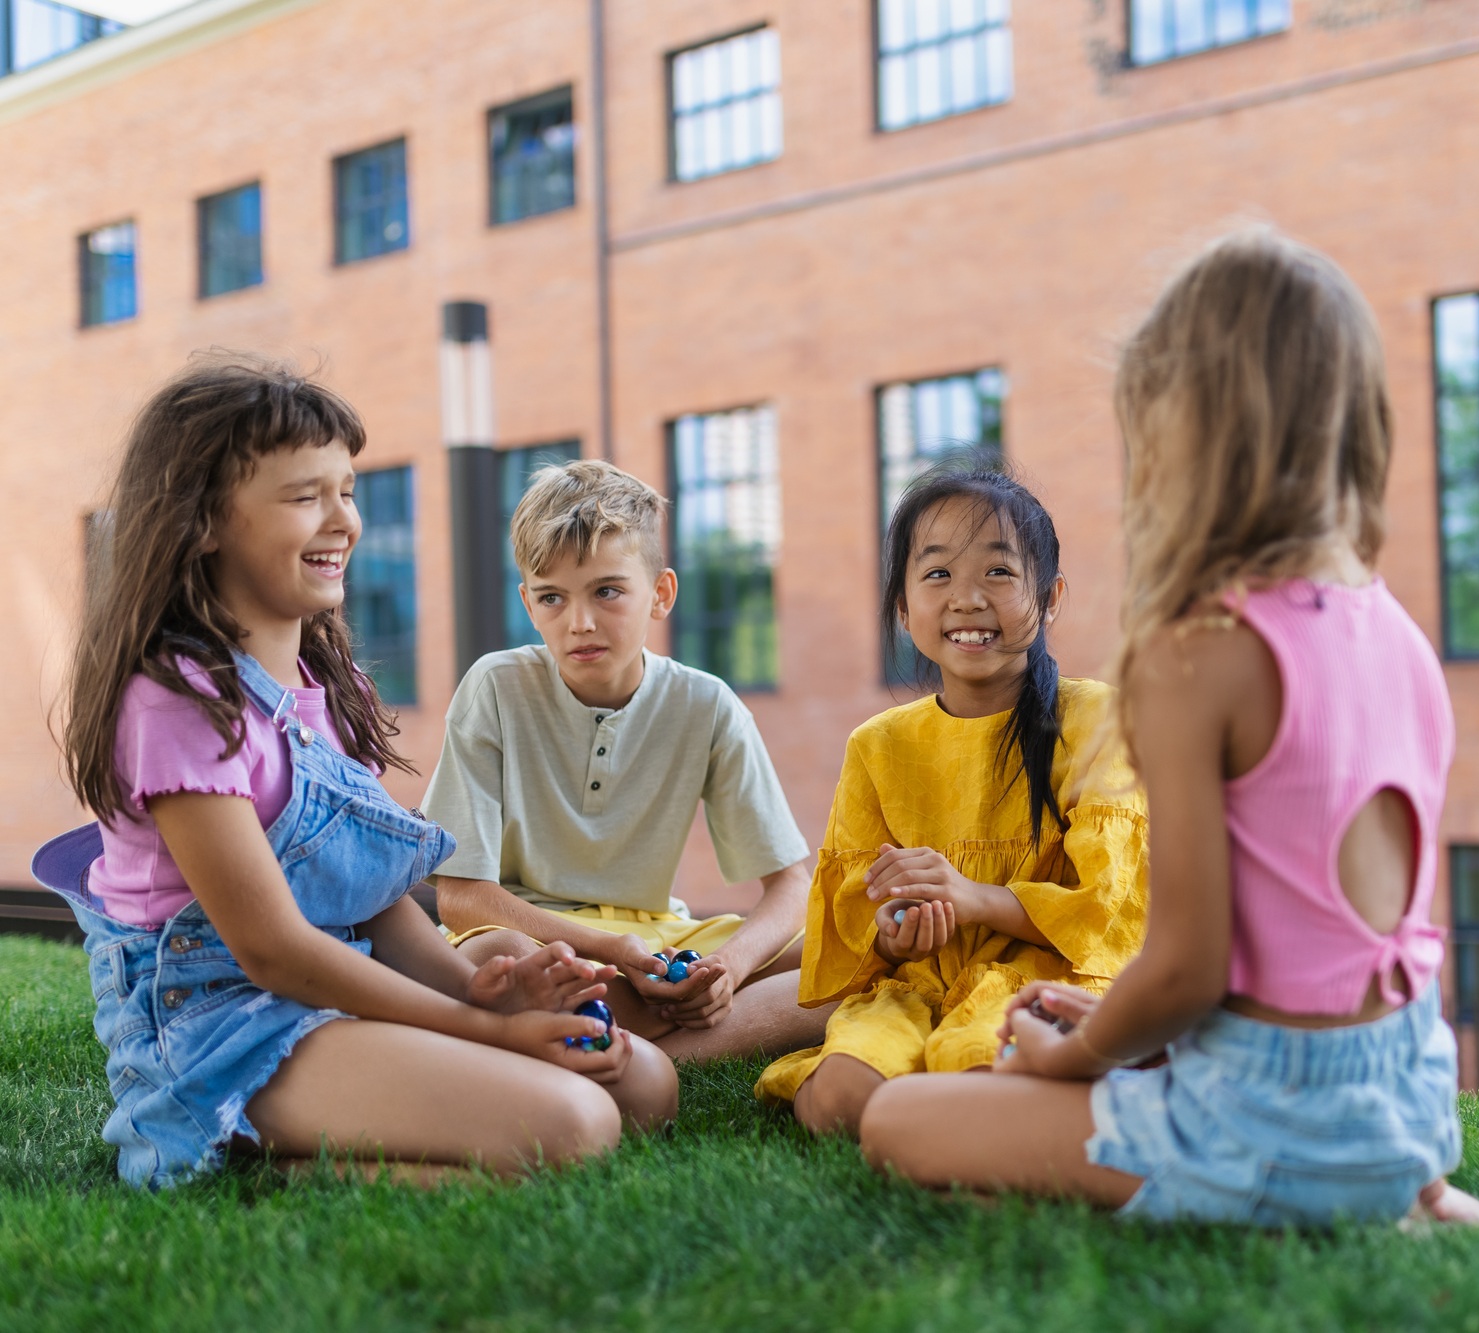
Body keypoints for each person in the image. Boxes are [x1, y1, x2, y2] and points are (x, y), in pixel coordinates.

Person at [860, 230, 1479, 1229]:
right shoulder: (1392, 626)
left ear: (1180, 430)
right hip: (1405, 1089)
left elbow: (1184, 969)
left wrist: (1076, 1053)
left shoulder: (1195, 652)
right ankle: (1402, 1196)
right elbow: (1308, 942)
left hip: (1264, 1116)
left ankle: (1280, 1199)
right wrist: (1130, 1031)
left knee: (899, 1119)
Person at [38, 356, 672, 1191]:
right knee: (575, 1123)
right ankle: (236, 1153)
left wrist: (482, 988)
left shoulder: (325, 688)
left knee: (647, 1088)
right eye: (307, 496)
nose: (345, 520)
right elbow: (272, 950)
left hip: (334, 983)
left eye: (349, 489)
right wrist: (487, 1033)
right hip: (218, 1023)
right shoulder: (177, 704)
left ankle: (333, 1126)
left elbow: (369, 898)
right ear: (202, 522)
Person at [753, 462, 1150, 1137]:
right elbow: (855, 923)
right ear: (904, 609)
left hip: (1044, 977)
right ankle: (922, 1105)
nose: (966, 598)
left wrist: (974, 897)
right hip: (917, 985)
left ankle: (954, 1112)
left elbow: (1106, 911)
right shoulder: (877, 744)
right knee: (838, 1099)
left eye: (998, 572)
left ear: (1050, 598)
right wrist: (896, 929)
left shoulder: (1096, 719)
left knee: (978, 1071)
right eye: (937, 574)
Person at [427, 459, 825, 1062]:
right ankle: (683, 1040)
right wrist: (611, 951)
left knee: (840, 950)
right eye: (552, 598)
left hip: (657, 941)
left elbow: (792, 885)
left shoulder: (707, 703)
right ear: (528, 606)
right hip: (542, 936)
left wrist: (727, 969)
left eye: (607, 591)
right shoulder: (496, 687)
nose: (579, 622)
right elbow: (461, 898)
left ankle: (634, 1032)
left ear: (661, 594)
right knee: (495, 958)